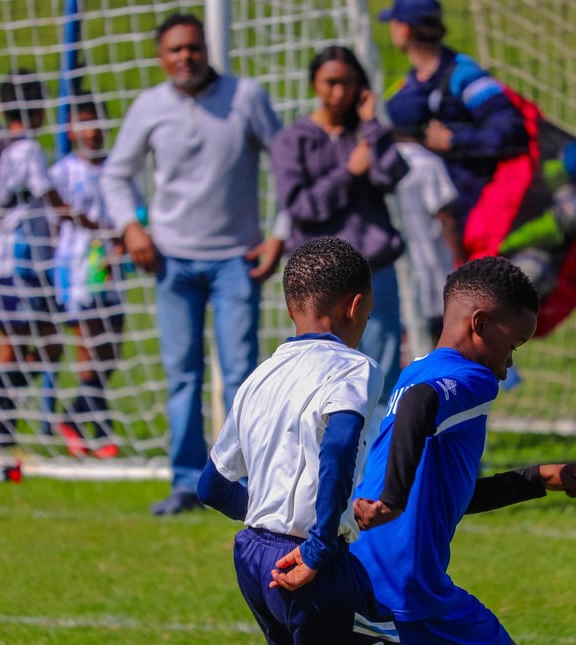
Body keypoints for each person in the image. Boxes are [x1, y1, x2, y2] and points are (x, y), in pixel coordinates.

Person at [332, 256, 576, 645]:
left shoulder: (418, 369)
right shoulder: (471, 379)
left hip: (359, 565)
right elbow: (420, 406)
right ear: (480, 324)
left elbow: (447, 497)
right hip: (406, 582)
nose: (508, 366)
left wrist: (538, 478)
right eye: (513, 345)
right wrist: (392, 499)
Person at [196, 236, 426, 645]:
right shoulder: (354, 368)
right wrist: (320, 545)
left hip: (254, 556)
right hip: (312, 564)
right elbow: (339, 449)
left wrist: (273, 515)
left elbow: (211, 486)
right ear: (356, 306)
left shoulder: (259, 376)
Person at [101, 13, 285, 514]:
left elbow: (288, 165)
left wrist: (280, 235)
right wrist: (131, 227)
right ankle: (187, 482)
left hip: (236, 262)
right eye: (175, 50)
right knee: (182, 375)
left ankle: (249, 482)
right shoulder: (148, 107)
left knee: (243, 374)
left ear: (206, 49)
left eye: (193, 47)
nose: (185, 57)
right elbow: (116, 176)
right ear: (162, 57)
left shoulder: (246, 97)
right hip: (172, 263)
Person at [270, 45, 409, 417]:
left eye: (348, 84)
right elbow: (300, 206)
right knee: (319, 372)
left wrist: (372, 124)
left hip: (374, 267)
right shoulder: (292, 140)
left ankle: (376, 468)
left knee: (380, 370)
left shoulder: (366, 134)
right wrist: (348, 172)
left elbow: (392, 174)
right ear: (314, 83)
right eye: (331, 83)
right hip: (320, 278)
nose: (339, 92)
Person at [377, 0, 529, 236]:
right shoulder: (407, 87)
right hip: (430, 217)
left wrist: (455, 139)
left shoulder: (464, 76)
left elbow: (512, 129)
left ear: (404, 29)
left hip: (479, 213)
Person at [0, 71, 74, 449]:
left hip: (7, 264)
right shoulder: (28, 150)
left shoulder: (1, 146)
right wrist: (96, 224)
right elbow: (52, 199)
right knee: (35, 345)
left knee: (34, 346)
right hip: (15, 264)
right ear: (36, 109)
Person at [50, 93, 132, 459]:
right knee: (89, 353)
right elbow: (52, 222)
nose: (92, 132)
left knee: (110, 352)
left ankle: (71, 417)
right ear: (71, 130)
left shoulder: (117, 170)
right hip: (77, 274)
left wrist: (123, 242)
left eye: (97, 123)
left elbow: (135, 212)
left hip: (110, 272)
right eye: (84, 123)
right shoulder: (62, 172)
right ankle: (98, 430)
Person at [392, 129, 461, 344]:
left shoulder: (377, 157)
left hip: (394, 277)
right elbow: (445, 219)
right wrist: (462, 262)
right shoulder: (426, 162)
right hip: (432, 271)